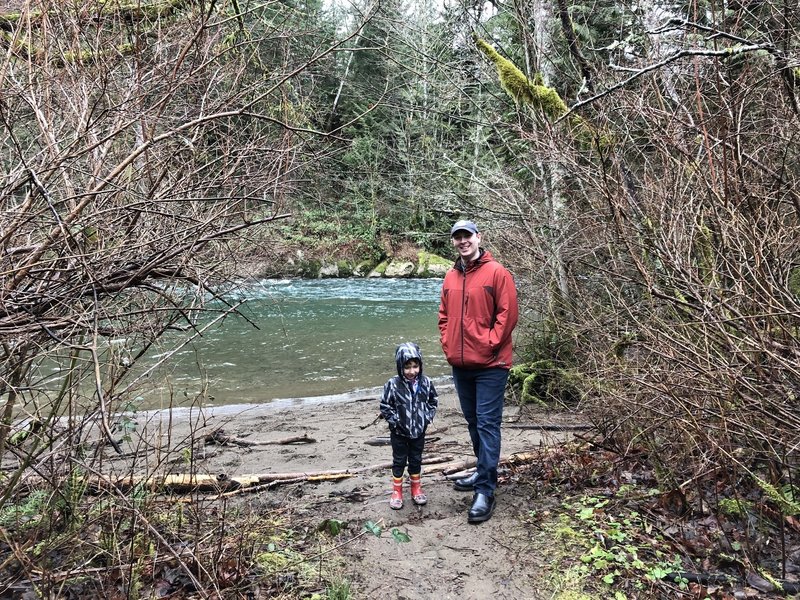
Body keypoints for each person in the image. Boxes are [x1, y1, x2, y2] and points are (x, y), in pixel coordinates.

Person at [438, 219, 519, 523]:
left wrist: (488, 345)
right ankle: (482, 471)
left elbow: (508, 315)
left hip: (491, 365)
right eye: (457, 237)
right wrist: (448, 346)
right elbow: (444, 316)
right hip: (461, 365)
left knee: (487, 424)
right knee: (473, 422)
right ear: (454, 242)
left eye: (467, 236)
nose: (463, 241)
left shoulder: (497, 273)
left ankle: (485, 489)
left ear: (478, 238)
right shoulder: (450, 276)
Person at [380, 342, 439, 509]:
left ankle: (416, 488)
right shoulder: (393, 384)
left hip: (419, 430)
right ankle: (397, 491)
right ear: (400, 366)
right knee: (399, 460)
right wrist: (395, 421)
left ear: (420, 364)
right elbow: (385, 405)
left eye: (415, 366)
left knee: (416, 459)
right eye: (407, 367)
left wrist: (426, 418)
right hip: (399, 431)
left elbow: (433, 401)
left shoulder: (426, 383)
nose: (412, 371)